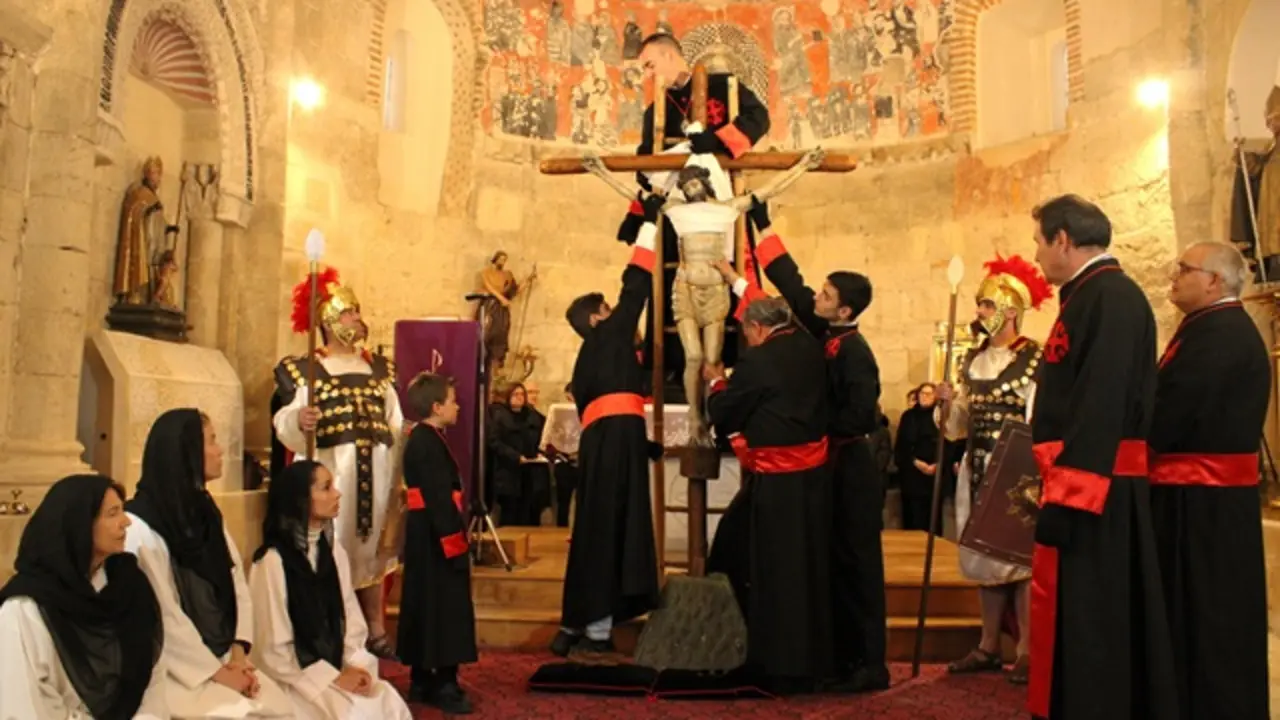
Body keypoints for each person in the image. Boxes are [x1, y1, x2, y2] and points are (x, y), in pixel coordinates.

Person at [716, 198, 886, 692]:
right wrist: (760, 227)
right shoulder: (819, 329)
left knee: (856, 562)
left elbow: (859, 416)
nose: (818, 295)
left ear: (846, 310)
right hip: (821, 464)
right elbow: (789, 282)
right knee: (825, 559)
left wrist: (810, 425)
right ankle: (834, 656)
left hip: (850, 465)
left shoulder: (856, 352)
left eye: (828, 293)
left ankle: (870, 661)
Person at [1027, 194, 1178, 720]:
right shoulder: (1089, 294)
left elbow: (1101, 400)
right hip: (1088, 481)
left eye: (1040, 242)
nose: (1038, 256)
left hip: (1097, 490)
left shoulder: (1110, 297)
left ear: (1062, 240)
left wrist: (1069, 497)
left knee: (1097, 620)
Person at [1149, 241, 1271, 719]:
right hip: (1201, 501)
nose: (1174, 276)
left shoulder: (1218, 333)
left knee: (1208, 624)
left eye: (1184, 269)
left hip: (1203, 508)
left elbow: (1168, 414)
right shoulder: (1208, 328)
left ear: (1214, 281)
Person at [550, 192, 665, 660]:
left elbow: (603, 411)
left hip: (605, 445)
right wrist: (652, 223)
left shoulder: (586, 358)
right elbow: (636, 281)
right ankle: (595, 631)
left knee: (595, 531)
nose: (614, 311)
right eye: (607, 307)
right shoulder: (612, 334)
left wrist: (644, 446)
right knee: (614, 532)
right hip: (619, 443)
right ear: (598, 317)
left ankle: (576, 624)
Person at [126, 408, 293, 719]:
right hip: (177, 671)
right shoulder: (139, 527)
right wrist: (215, 672)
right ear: (187, 451)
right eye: (212, 441)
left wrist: (238, 653)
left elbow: (234, 581)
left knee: (280, 709)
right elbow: (164, 614)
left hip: (224, 657)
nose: (221, 450)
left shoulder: (205, 511)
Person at [704, 297, 834, 694]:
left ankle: (776, 662)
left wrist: (715, 382)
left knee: (773, 569)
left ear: (759, 329)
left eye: (746, 332)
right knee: (805, 567)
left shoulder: (760, 361)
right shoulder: (811, 347)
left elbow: (725, 412)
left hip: (777, 485)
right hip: (812, 480)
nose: (748, 339)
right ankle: (813, 660)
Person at [273, 267, 404, 658]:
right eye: (349, 313)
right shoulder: (306, 371)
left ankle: (375, 629)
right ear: (329, 320)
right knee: (335, 548)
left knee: (373, 552)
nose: (356, 320)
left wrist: (398, 463)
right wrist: (299, 420)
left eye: (357, 312)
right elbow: (286, 421)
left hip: (377, 476)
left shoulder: (380, 370)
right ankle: (332, 630)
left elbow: (394, 422)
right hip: (335, 472)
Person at [938, 254, 1053, 685]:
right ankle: (988, 645)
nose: (979, 313)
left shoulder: (1035, 358)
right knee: (985, 556)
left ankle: (1025, 649)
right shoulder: (972, 360)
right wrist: (950, 405)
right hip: (977, 466)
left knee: (1020, 559)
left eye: (986, 305)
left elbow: (1039, 417)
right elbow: (958, 427)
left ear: (1008, 309)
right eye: (978, 305)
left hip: (1018, 472)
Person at [248, 460, 413, 720]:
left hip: (336, 668)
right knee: (355, 714)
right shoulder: (271, 562)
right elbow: (273, 649)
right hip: (296, 679)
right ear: (301, 500)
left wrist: (356, 666)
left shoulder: (334, 552)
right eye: (326, 488)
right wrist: (331, 678)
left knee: (389, 703)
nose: (338, 494)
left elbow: (350, 620)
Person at [0, 474, 167, 719]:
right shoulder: (23, 609)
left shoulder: (129, 585)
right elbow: (24, 703)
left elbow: (153, 678)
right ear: (80, 525)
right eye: (113, 513)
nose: (126, 522)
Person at [397, 372, 479, 713]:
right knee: (443, 605)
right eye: (451, 401)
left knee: (425, 601)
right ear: (436, 407)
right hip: (436, 535)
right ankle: (443, 682)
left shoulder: (425, 437)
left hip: (424, 532)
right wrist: (455, 541)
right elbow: (438, 497)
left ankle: (422, 675)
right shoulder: (426, 441)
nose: (457, 406)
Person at [488, 382, 550, 526]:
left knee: (529, 512)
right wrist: (515, 456)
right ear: (508, 396)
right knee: (510, 514)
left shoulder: (532, 416)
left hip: (530, 473)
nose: (520, 398)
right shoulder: (499, 416)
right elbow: (494, 442)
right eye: (516, 394)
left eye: (522, 394)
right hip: (509, 471)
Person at [894, 382, 940, 532]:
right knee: (913, 516)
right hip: (913, 472)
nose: (925, 397)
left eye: (929, 394)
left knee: (932, 517)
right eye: (922, 393)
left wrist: (937, 464)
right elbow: (901, 444)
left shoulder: (941, 415)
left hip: (934, 473)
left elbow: (948, 442)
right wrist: (915, 462)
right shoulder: (908, 416)